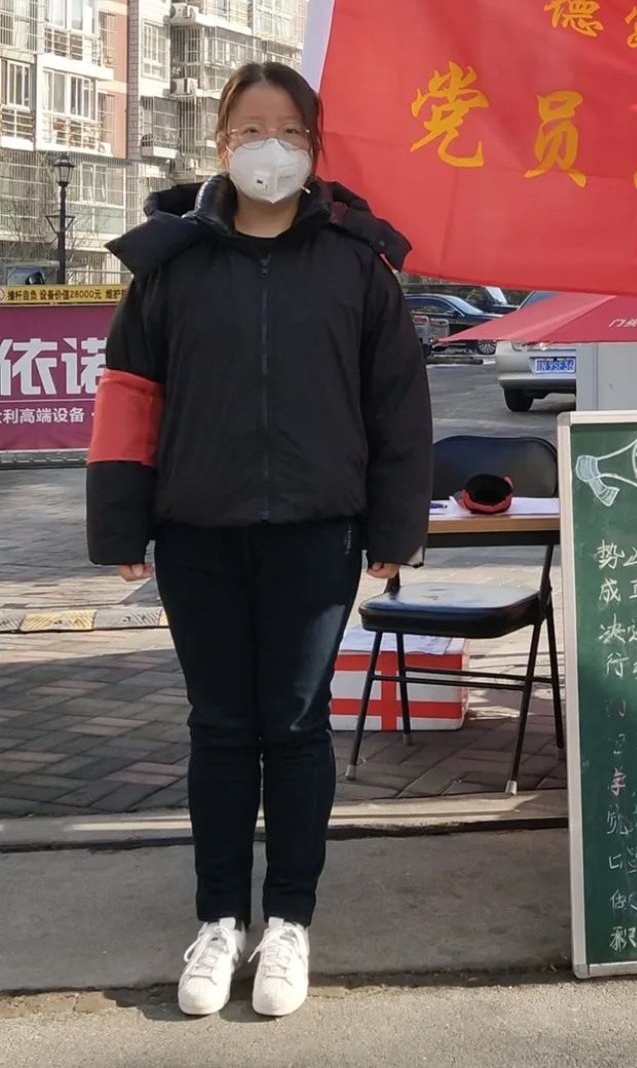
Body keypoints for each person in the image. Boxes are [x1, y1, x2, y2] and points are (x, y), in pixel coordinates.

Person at [86, 63, 432, 1018]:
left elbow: (397, 407)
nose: (266, 145)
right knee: (220, 726)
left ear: (313, 146)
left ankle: (287, 921)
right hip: (197, 530)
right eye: (248, 128)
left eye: (287, 129)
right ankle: (217, 921)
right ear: (221, 143)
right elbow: (129, 396)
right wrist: (121, 521)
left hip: (318, 535)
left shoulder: (356, 263)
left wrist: (394, 529)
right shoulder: (171, 264)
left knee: (296, 724)